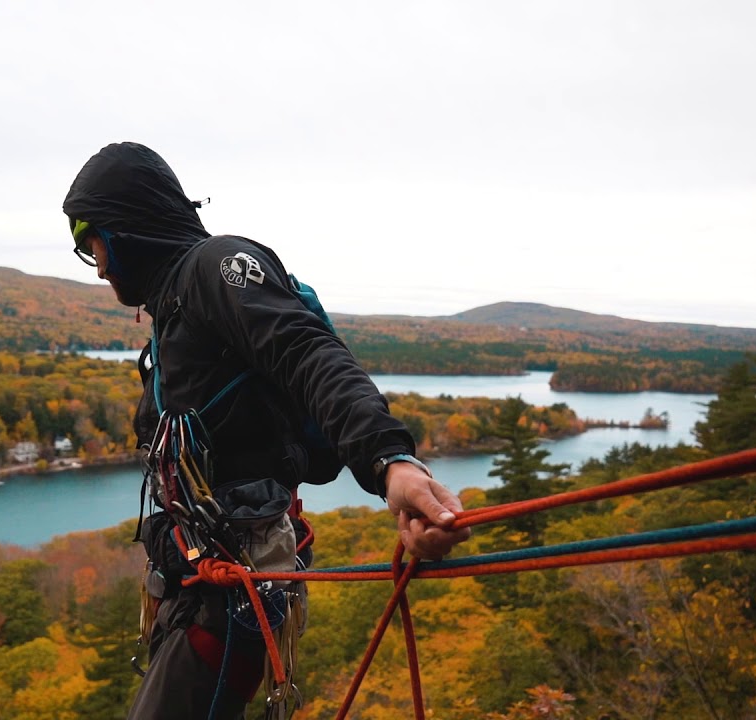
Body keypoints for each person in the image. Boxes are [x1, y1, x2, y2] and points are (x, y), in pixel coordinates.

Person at [63, 141, 471, 719]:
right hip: (201, 589)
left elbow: (305, 351)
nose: (95, 263)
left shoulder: (215, 267)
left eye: (90, 242)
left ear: (125, 230)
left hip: (231, 601)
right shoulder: (175, 315)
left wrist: (390, 463)